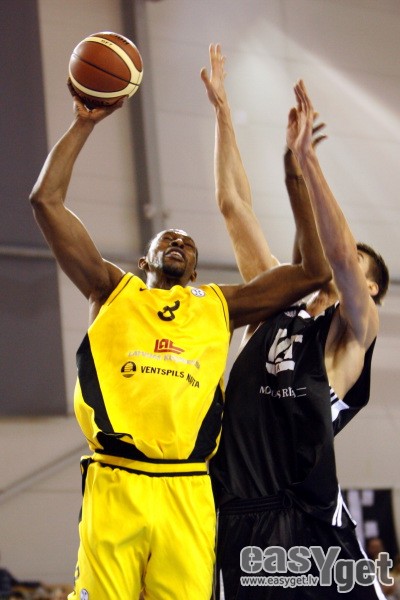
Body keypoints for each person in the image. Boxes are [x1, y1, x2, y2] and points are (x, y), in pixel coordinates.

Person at [29, 74, 330, 599]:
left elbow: (313, 272)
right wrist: (83, 123)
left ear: (194, 270)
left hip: (189, 487)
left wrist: (294, 170)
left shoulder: (218, 305)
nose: (179, 242)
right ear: (144, 260)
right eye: (167, 239)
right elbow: (46, 201)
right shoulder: (112, 289)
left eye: (188, 244)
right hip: (116, 479)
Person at [202, 44, 390, 599]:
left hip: (310, 528)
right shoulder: (272, 307)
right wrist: (223, 112)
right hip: (239, 518)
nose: (338, 251)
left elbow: (338, 255)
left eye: (354, 259)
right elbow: (233, 205)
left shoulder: (353, 334)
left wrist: (306, 163)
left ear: (371, 287)